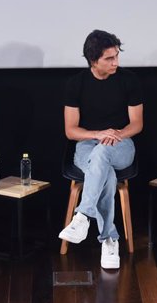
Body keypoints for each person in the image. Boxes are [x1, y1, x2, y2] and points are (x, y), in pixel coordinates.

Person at [58, 30, 143, 270]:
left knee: (103, 154)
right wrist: (98, 134)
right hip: (87, 144)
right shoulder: (76, 84)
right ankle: (109, 238)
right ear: (93, 60)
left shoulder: (129, 80)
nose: (116, 62)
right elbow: (71, 130)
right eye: (109, 58)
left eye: (117, 56)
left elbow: (137, 123)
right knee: (105, 170)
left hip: (122, 144)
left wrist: (115, 134)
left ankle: (83, 216)